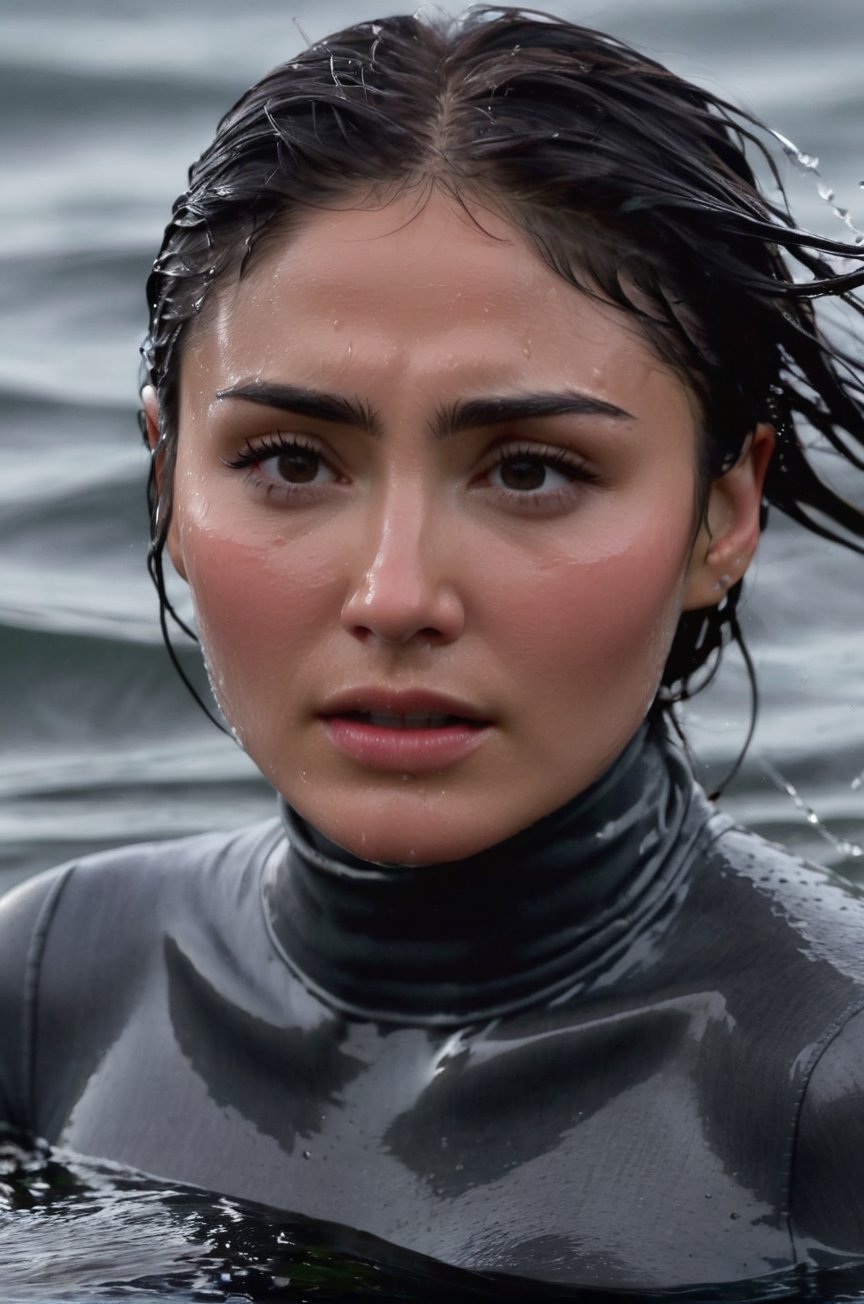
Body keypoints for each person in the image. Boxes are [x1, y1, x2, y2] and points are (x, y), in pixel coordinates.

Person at [1, 6, 863, 1293]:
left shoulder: (824, 1097)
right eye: (289, 460)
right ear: (171, 478)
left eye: (531, 469)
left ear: (722, 511)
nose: (395, 592)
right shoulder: (55, 985)